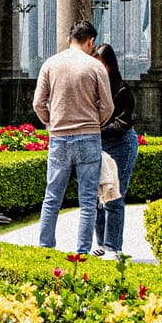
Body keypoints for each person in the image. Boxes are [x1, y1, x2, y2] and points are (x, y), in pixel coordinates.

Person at [32, 20, 114, 253]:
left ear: (69, 40)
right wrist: (93, 124)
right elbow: (108, 106)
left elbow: (38, 103)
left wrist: (51, 122)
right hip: (88, 137)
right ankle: (81, 251)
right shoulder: (95, 67)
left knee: (52, 198)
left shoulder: (50, 64)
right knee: (88, 201)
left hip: (59, 137)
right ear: (90, 42)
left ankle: (45, 248)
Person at [93, 43, 138, 257]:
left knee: (114, 195)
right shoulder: (93, 87)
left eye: (101, 64)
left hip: (121, 144)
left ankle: (113, 247)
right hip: (101, 143)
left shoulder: (121, 90)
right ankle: (101, 244)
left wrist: (96, 130)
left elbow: (122, 123)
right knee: (97, 196)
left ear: (110, 65)